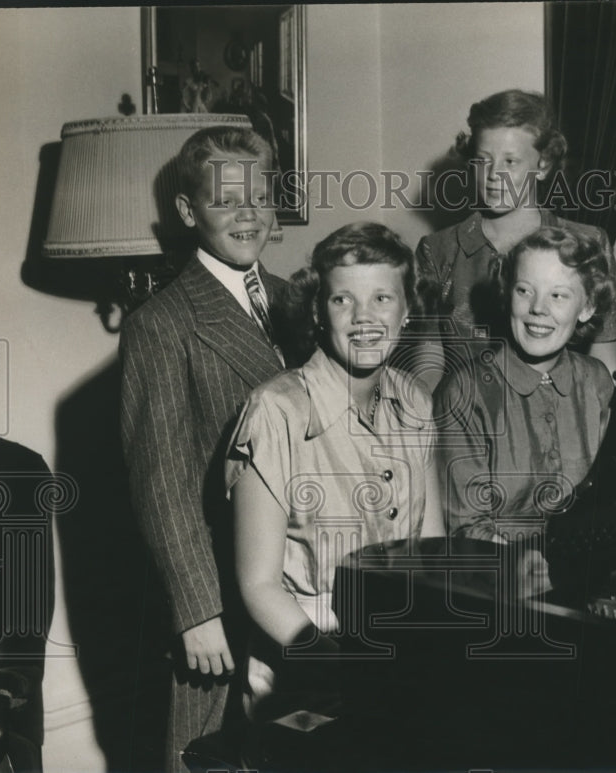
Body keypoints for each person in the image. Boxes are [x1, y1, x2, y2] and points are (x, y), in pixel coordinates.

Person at [226, 222, 445, 718]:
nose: (364, 317)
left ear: (407, 310)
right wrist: (343, 669)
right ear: (317, 312)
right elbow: (258, 587)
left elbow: (432, 551)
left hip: (403, 647)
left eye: (382, 298)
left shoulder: (416, 401)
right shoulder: (275, 411)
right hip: (303, 660)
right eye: (343, 299)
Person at [120, 124, 285, 772]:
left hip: (298, 578)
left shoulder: (300, 301)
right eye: (226, 200)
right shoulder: (161, 324)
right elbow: (161, 482)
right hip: (218, 589)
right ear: (188, 212)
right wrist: (195, 612)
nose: (248, 214)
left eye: (260, 197)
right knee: (209, 748)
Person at [433, 226, 616, 593]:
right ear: (507, 295)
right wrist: (524, 568)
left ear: (586, 308)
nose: (538, 308)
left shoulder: (597, 381)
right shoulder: (465, 392)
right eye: (524, 290)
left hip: (589, 569)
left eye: (558, 295)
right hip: (500, 585)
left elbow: (611, 500)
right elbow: (466, 527)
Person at [416, 89, 616, 387]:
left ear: (543, 165)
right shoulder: (438, 251)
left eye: (510, 161)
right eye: (483, 160)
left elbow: (605, 369)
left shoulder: (590, 243)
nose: (494, 174)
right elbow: (427, 368)